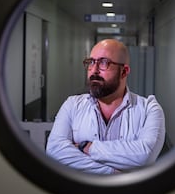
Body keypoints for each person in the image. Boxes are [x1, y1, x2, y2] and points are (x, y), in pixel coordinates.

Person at [46, 39, 165, 174]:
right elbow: (54, 150)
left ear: (124, 71)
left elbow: (145, 156)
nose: (94, 71)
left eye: (104, 63)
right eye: (91, 62)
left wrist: (87, 147)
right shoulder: (72, 105)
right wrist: (111, 172)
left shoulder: (149, 109)